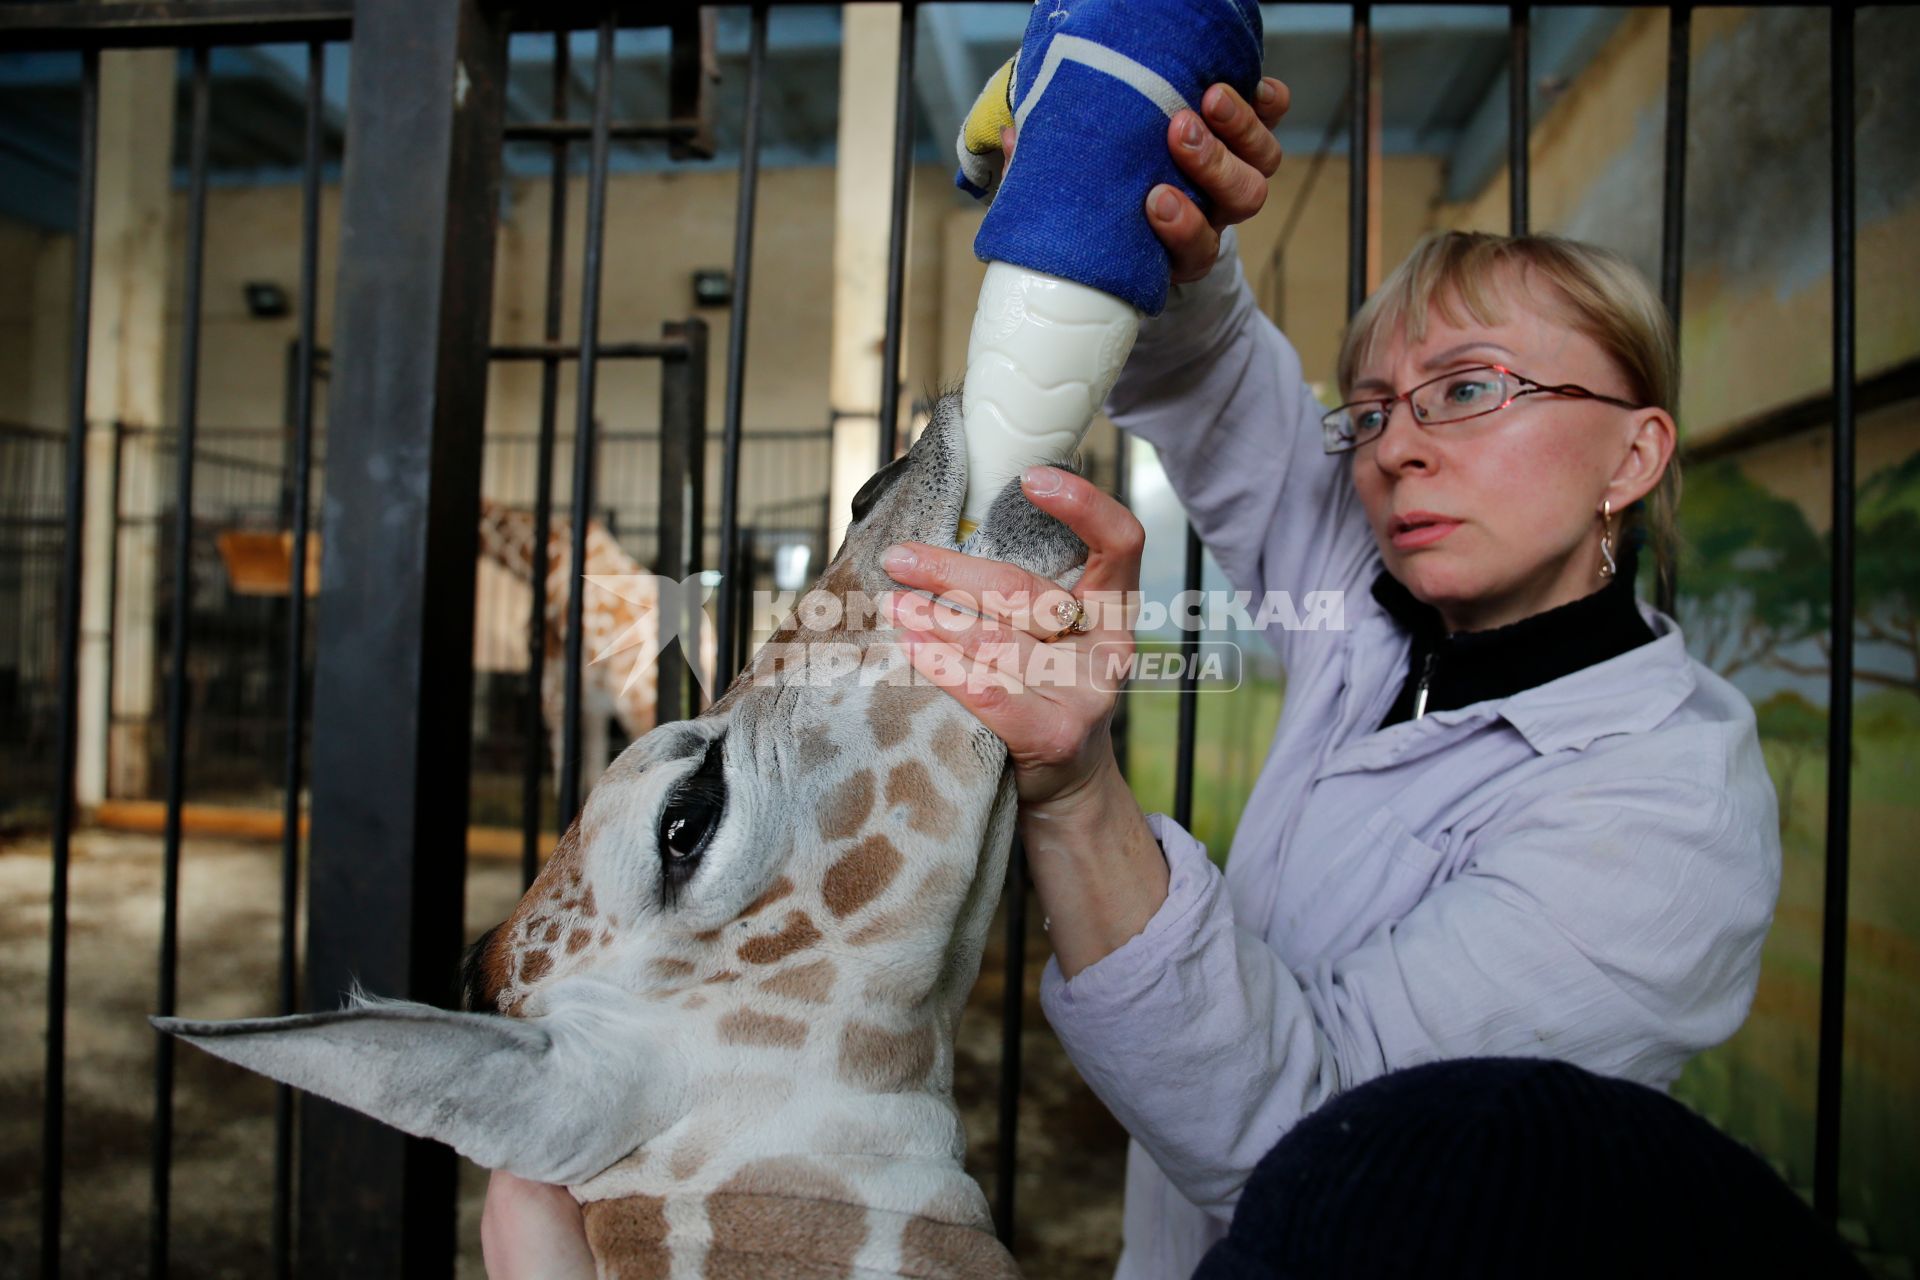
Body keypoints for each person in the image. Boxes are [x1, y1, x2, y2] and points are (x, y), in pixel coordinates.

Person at [486, 75, 1781, 1278]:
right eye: (1374, 409)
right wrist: (1134, 204)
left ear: (1633, 456)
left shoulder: (1667, 818)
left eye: (1471, 388)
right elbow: (1224, 387)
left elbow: (1328, 1140)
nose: (1398, 452)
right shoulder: (1386, 610)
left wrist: (1078, 793)